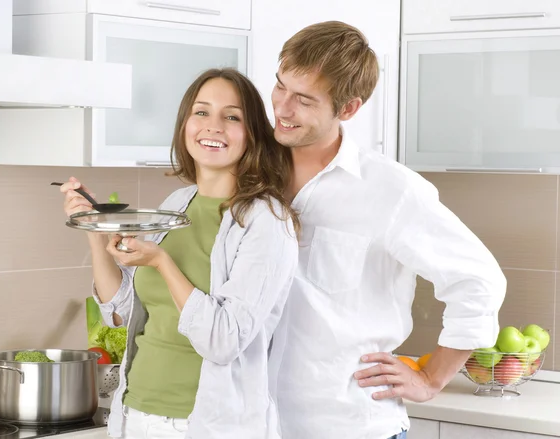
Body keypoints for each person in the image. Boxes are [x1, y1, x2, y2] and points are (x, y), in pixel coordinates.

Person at [265, 21, 507, 439]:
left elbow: (479, 281)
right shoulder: (253, 175)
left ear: (348, 109)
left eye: (303, 99)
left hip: (351, 428)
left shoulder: (391, 191)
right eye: (280, 86)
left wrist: (431, 378)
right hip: (254, 424)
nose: (282, 108)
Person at [58, 68, 299, 439]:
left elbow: (224, 340)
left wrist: (161, 262)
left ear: (252, 134)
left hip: (205, 423)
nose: (213, 126)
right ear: (185, 123)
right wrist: (94, 228)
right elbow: (120, 312)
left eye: (231, 116)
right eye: (201, 112)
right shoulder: (176, 205)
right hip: (136, 413)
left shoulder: (266, 220)